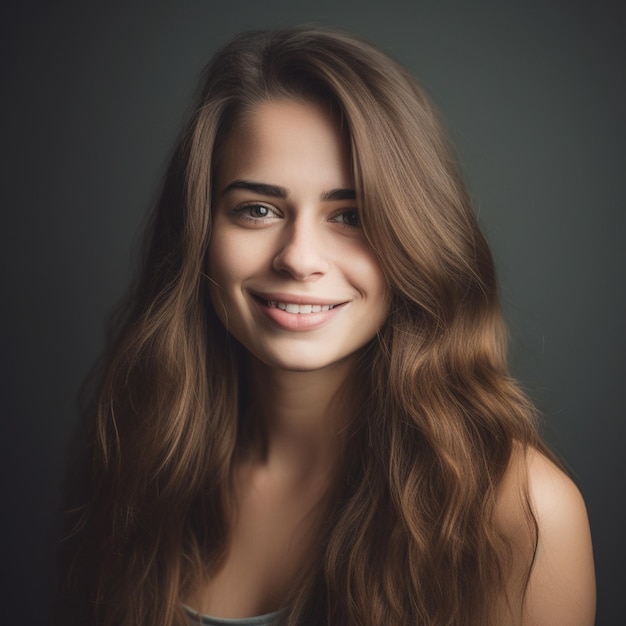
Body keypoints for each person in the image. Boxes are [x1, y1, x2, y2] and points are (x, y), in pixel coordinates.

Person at [57, 27, 595, 626]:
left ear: (419, 238)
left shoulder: (520, 513)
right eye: (257, 209)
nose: (299, 257)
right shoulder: (142, 451)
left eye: (351, 215)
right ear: (199, 235)